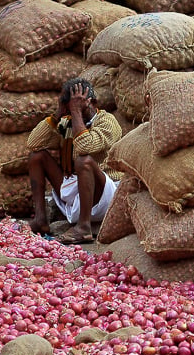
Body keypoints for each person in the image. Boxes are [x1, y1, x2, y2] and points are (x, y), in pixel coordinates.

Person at [26, 78, 122, 245]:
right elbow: (33, 143)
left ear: (94, 103)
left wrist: (77, 112)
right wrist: (57, 115)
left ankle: (84, 227)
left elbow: (85, 147)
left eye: (79, 106)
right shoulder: (66, 123)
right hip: (75, 187)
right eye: (70, 106)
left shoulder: (107, 122)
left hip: (104, 193)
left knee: (83, 160)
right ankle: (40, 219)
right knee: (37, 156)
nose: (74, 111)